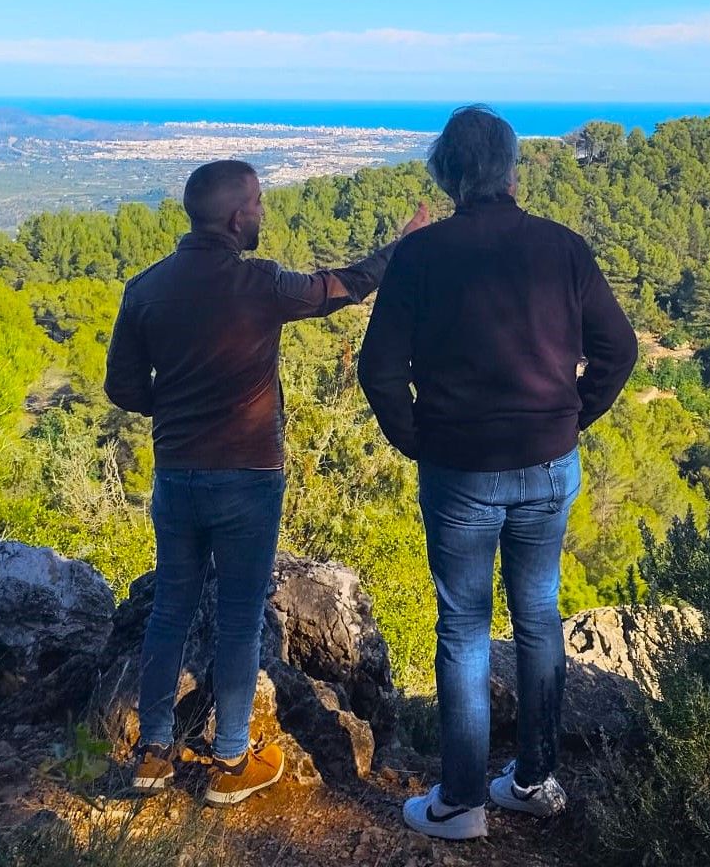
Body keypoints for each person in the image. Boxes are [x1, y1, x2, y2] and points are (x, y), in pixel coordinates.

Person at [105, 159, 427, 806]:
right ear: (234, 216)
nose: (261, 213)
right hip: (247, 477)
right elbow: (343, 286)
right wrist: (402, 246)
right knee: (238, 618)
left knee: (170, 610)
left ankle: (151, 756)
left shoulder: (145, 288)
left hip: (176, 473)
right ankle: (229, 761)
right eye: (255, 203)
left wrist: (175, 408)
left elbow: (121, 388)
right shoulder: (259, 283)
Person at [358, 105, 637, 840]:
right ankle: (535, 781)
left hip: (460, 467)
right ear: (513, 171)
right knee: (538, 617)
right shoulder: (562, 248)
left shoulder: (421, 256)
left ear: (447, 174)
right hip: (548, 462)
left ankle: (459, 803)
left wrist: (416, 439)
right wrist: (573, 418)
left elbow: (379, 370)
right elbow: (619, 351)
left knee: (463, 627)